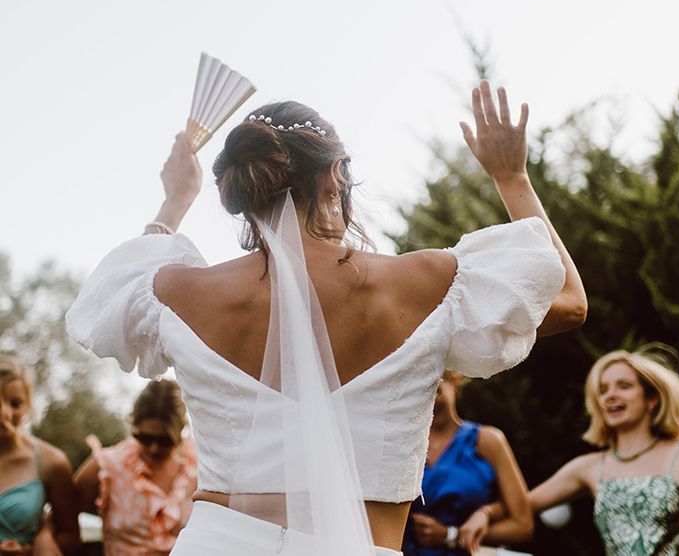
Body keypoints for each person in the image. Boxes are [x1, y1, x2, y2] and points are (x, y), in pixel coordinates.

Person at [66, 80, 587, 555]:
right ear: (334, 177)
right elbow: (567, 299)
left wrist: (175, 198)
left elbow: (111, 300)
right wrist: (512, 176)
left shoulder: (177, 292)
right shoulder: (425, 283)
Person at [529, 347, 679, 555]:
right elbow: (522, 506)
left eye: (623, 386)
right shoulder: (588, 467)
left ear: (651, 399)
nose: (609, 396)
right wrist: (492, 510)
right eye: (603, 390)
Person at [403, 372, 533, 555]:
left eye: (436, 392)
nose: (429, 404)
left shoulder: (488, 441)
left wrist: (451, 535)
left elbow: (522, 525)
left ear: (454, 382)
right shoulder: (403, 447)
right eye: (419, 395)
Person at [74, 379, 196, 556]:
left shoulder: (202, 467)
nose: (154, 449)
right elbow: (61, 519)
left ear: (181, 428)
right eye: (145, 438)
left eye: (164, 440)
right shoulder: (107, 466)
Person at [0, 356, 80, 556]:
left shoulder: (51, 462)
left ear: (28, 405)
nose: (5, 414)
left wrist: (30, 550)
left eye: (15, 403)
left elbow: (71, 538)